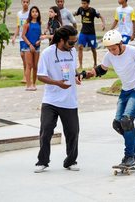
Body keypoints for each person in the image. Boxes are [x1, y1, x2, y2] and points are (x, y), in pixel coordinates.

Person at [85, 30, 135, 167]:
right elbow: (101, 69)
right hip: (125, 91)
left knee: (126, 120)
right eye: (109, 49)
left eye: (113, 48)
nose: (111, 52)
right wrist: (85, 74)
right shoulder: (109, 55)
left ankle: (129, 156)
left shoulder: (133, 51)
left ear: (120, 44)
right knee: (118, 124)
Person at [34, 25, 84, 173]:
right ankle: (42, 161)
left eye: (75, 42)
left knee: (73, 132)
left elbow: (73, 69)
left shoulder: (73, 51)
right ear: (61, 40)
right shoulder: (48, 53)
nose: (73, 45)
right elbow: (40, 75)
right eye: (70, 42)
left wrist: (77, 76)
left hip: (69, 100)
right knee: (46, 131)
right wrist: (57, 83)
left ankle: (70, 161)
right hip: (51, 100)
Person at [74, 0, 106, 69]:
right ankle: (80, 65)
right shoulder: (80, 9)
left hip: (91, 33)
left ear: (88, 3)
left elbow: (101, 17)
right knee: (80, 47)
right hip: (83, 32)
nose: (83, 5)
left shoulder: (93, 10)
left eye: (84, 3)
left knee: (93, 48)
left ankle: (95, 63)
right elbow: (75, 14)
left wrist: (103, 24)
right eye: (82, 3)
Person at [22, 6, 42, 91]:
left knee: (35, 66)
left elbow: (40, 35)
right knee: (29, 66)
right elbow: (23, 36)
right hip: (28, 47)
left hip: (37, 48)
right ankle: (28, 85)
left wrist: (39, 40)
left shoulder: (39, 23)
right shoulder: (27, 23)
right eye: (33, 11)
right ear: (30, 13)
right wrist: (30, 44)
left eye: (36, 11)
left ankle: (34, 84)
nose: (35, 13)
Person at [11, 0, 30, 83]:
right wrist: (14, 36)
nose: (25, 3)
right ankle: (26, 74)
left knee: (26, 57)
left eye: (27, 2)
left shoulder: (31, 13)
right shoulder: (19, 14)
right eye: (24, 2)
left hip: (29, 38)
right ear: (21, 3)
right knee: (23, 56)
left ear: (29, 3)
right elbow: (18, 27)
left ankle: (25, 77)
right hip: (21, 39)